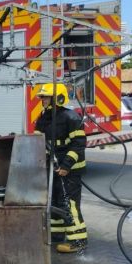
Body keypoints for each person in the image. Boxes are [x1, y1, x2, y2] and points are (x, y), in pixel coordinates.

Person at [35, 83, 88, 254]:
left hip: (69, 169)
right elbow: (38, 138)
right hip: (52, 167)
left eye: (45, 96)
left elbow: (79, 144)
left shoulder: (71, 117)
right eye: (42, 97)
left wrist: (66, 166)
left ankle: (78, 241)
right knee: (54, 201)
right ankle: (57, 235)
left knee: (69, 203)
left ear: (57, 97)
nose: (42, 100)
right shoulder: (44, 116)